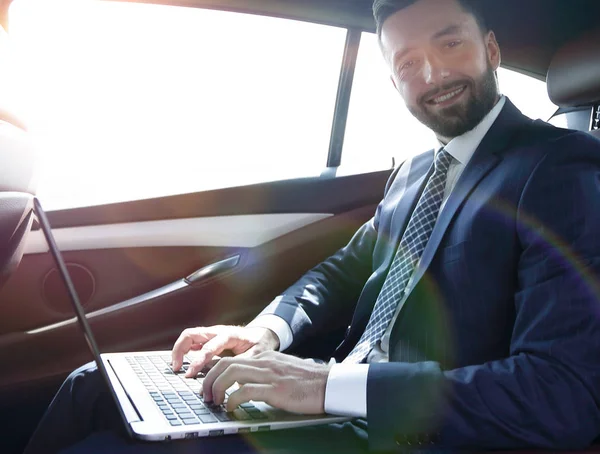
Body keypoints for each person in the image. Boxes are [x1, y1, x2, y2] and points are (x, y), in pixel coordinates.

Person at [25, 0, 600, 452]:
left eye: (450, 42)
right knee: (92, 384)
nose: (432, 72)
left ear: (492, 49)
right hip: (329, 402)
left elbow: (562, 393)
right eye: (405, 63)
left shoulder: (557, 168)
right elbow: (343, 270)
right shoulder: (415, 174)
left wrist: (326, 387)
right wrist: (267, 333)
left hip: (401, 430)